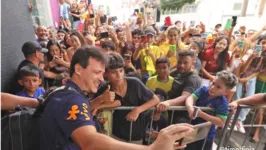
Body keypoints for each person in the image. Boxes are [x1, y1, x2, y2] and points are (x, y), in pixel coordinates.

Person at [40, 45, 194, 150]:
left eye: (102, 73)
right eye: (97, 72)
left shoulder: (69, 93)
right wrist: (152, 148)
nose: (102, 78)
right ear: (79, 69)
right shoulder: (72, 99)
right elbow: (89, 141)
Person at [96, 52, 160, 142]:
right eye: (113, 72)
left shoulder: (134, 83)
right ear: (105, 73)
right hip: (115, 135)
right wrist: (102, 99)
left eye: (121, 71)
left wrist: (138, 110)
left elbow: (155, 99)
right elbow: (92, 105)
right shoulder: (104, 88)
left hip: (136, 135)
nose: (119, 75)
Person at [185, 71, 238, 150]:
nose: (213, 87)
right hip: (192, 129)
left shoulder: (223, 103)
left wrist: (201, 114)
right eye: (213, 83)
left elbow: (221, 122)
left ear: (226, 92)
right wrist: (190, 108)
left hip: (206, 136)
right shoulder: (203, 89)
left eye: (218, 87)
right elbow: (191, 98)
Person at [156, 50, 201, 124]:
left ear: (193, 62)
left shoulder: (193, 78)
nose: (181, 65)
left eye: (185, 63)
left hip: (182, 116)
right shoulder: (177, 71)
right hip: (171, 113)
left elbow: (185, 97)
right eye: (179, 62)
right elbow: (165, 76)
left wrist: (168, 103)